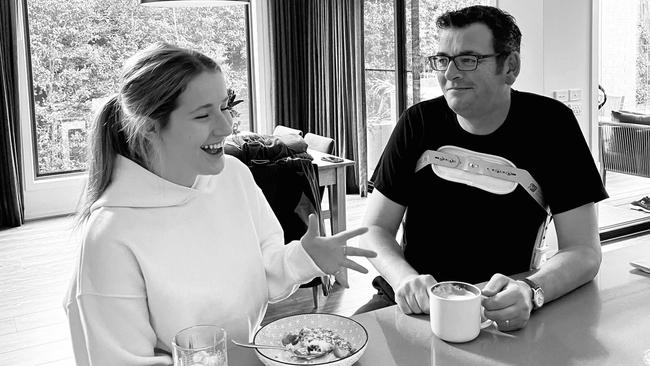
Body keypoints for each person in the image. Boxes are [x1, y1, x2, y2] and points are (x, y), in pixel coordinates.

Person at [64, 42, 375, 366]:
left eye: (227, 106)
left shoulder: (234, 175)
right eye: (203, 114)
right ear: (151, 125)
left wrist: (304, 257)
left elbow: (262, 270)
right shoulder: (109, 235)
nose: (227, 126)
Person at [358, 5, 608, 332]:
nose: (450, 73)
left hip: (500, 311)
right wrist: (407, 279)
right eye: (442, 60)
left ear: (510, 66)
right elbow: (375, 230)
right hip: (412, 306)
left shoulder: (551, 126)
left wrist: (531, 291)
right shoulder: (418, 123)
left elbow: (584, 251)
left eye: (468, 59)